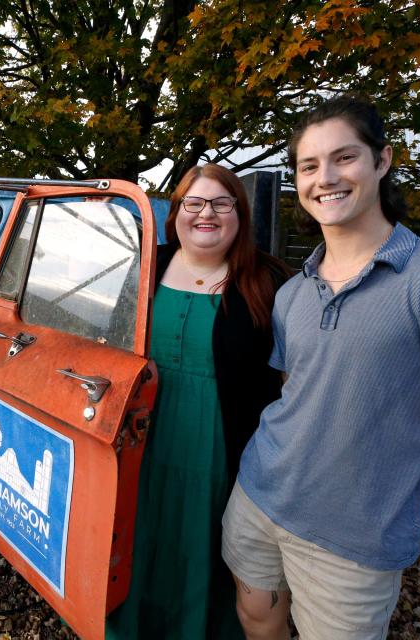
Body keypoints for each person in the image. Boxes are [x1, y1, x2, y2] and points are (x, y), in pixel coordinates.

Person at [221, 96, 420, 639]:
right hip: (259, 499)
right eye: (308, 166)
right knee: (255, 617)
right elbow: (298, 394)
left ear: (382, 161)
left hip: (353, 541)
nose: (325, 178)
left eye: (344, 158)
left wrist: (400, 508)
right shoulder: (293, 292)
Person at [107, 163, 290, 638]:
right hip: (143, 433)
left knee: (205, 545)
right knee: (138, 534)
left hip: (221, 443)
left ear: (239, 214)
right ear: (176, 213)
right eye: (194, 202)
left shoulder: (270, 282)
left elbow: (294, 375)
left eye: (221, 203)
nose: (206, 213)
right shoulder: (144, 264)